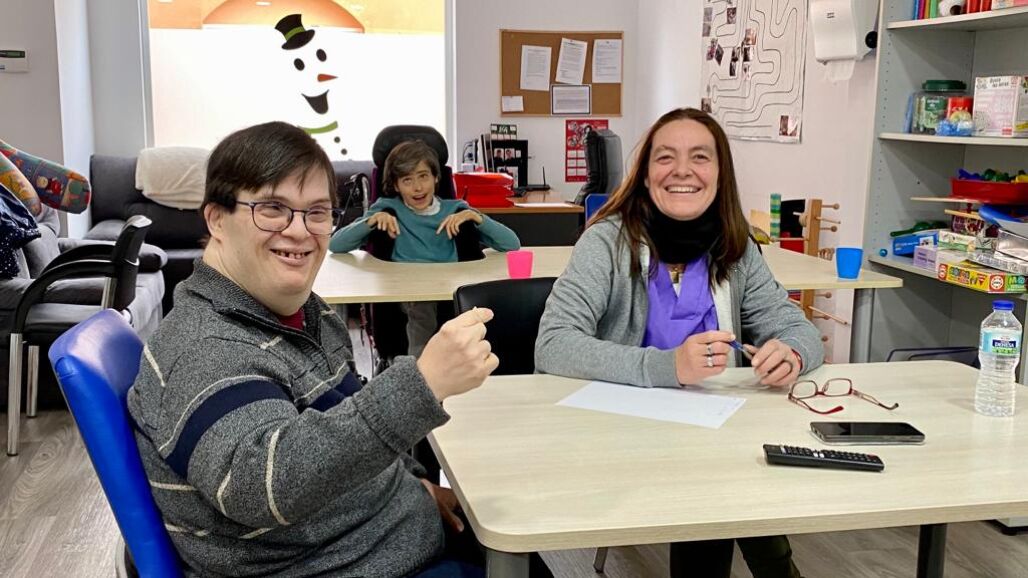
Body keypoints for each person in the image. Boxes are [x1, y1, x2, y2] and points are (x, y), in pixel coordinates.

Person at [127, 121, 549, 578]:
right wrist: (422, 384)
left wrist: (416, 482)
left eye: (317, 212)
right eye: (272, 209)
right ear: (216, 220)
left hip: (390, 535)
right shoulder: (204, 347)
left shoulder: (307, 314)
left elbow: (343, 417)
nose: (299, 232)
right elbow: (264, 484)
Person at [535, 107, 823, 578]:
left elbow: (797, 328)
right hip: (620, 431)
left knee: (725, 473)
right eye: (666, 157)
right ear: (646, 174)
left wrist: (791, 353)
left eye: (700, 157)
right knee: (724, 483)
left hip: (717, 431)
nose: (683, 170)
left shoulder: (736, 246)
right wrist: (668, 367)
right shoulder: (606, 242)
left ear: (720, 174)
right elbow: (553, 345)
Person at [330, 140, 520, 357]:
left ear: (436, 178)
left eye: (423, 176)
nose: (418, 187)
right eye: (407, 180)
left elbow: (511, 244)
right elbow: (336, 245)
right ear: (396, 185)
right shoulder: (388, 209)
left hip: (450, 288)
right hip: (409, 291)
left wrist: (476, 217)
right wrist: (371, 221)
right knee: (422, 309)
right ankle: (420, 370)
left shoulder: (455, 210)